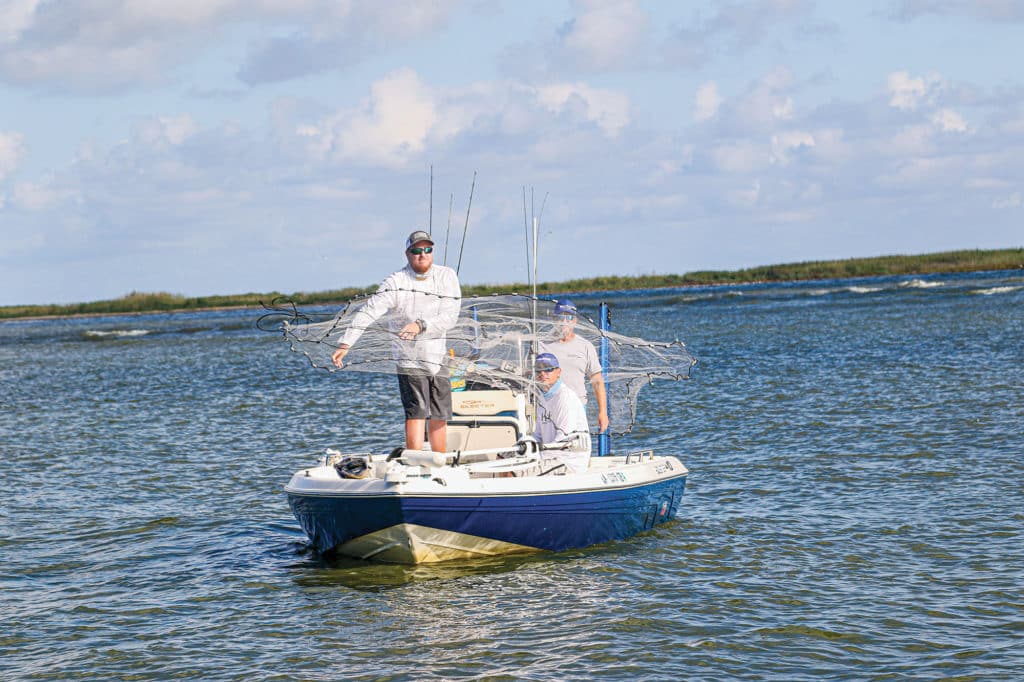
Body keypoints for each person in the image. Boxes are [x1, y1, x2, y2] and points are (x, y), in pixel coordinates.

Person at [331, 230, 461, 452]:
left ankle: (440, 462)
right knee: (417, 412)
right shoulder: (396, 281)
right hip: (408, 358)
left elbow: (450, 315)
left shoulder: (447, 275)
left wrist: (420, 325)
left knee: (440, 413)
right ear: (407, 253)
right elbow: (369, 312)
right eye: (417, 250)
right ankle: (414, 461)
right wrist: (346, 343)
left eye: (427, 249)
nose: (423, 254)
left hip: (437, 356)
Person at [539, 299, 609, 434]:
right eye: (560, 317)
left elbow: (597, 382)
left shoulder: (585, 346)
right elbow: (530, 376)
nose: (564, 322)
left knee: (576, 446)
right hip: (548, 407)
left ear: (575, 321)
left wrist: (603, 413)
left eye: (569, 317)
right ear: (554, 319)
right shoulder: (541, 345)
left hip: (577, 406)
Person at [532, 352, 591, 474]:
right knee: (505, 456)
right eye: (538, 370)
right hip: (550, 457)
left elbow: (562, 442)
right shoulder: (542, 398)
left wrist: (535, 458)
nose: (542, 374)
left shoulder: (565, 397)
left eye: (548, 369)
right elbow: (537, 436)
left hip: (568, 462)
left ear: (558, 372)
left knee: (515, 471)